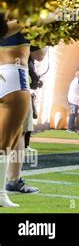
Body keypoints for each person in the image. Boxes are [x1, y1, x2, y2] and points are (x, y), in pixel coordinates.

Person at [0, 21, 43, 207]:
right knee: (6, 142)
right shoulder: (25, 15)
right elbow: (40, 54)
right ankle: (1, 193)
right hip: (14, 75)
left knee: (10, 138)